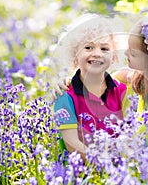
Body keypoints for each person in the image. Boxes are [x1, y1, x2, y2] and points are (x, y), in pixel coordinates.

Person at [52, 14, 127, 159]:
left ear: (114, 57)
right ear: (75, 54)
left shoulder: (121, 91)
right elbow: (72, 144)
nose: (97, 54)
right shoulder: (64, 96)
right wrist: (105, 162)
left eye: (105, 49)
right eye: (88, 47)